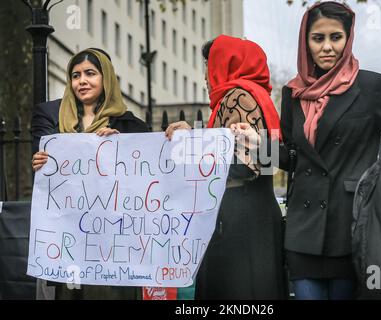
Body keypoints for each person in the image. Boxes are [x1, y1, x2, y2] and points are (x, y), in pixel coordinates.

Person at [233, 2, 381, 300]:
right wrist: (260, 147)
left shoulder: (371, 86)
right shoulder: (293, 94)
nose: (327, 47)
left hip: (350, 225)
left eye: (336, 37)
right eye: (318, 38)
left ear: (348, 39)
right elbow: (293, 158)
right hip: (302, 229)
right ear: (306, 42)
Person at [165, 35, 288, 300]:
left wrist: (193, 143)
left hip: (238, 219)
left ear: (225, 64)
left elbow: (243, 166)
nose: (206, 77)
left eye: (210, 66)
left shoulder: (237, 97)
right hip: (252, 215)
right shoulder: (255, 95)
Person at [31, 48, 148, 299]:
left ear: (106, 78)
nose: (81, 81)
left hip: (114, 243)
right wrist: (40, 161)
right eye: (75, 75)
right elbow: (44, 172)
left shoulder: (130, 126)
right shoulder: (50, 116)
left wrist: (122, 148)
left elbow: (145, 183)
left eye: (90, 73)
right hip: (67, 238)